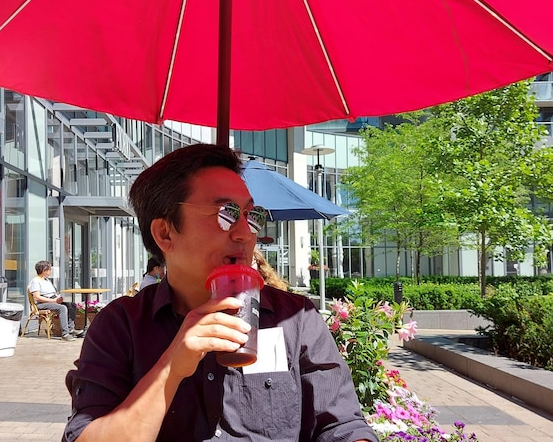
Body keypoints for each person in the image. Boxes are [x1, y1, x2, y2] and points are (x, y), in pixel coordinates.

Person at [63, 144, 377, 442]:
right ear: (165, 233)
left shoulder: (296, 319)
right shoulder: (120, 326)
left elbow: (341, 426)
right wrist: (172, 366)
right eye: (226, 213)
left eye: (251, 216)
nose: (245, 234)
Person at [29, 260, 82, 341]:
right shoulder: (35, 281)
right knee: (62, 308)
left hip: (52, 299)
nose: (50, 271)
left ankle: (70, 329)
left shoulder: (46, 280)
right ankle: (65, 334)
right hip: (42, 303)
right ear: (44, 270)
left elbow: (52, 293)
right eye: (49, 269)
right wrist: (54, 301)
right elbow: (37, 297)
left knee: (72, 305)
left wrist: (58, 298)